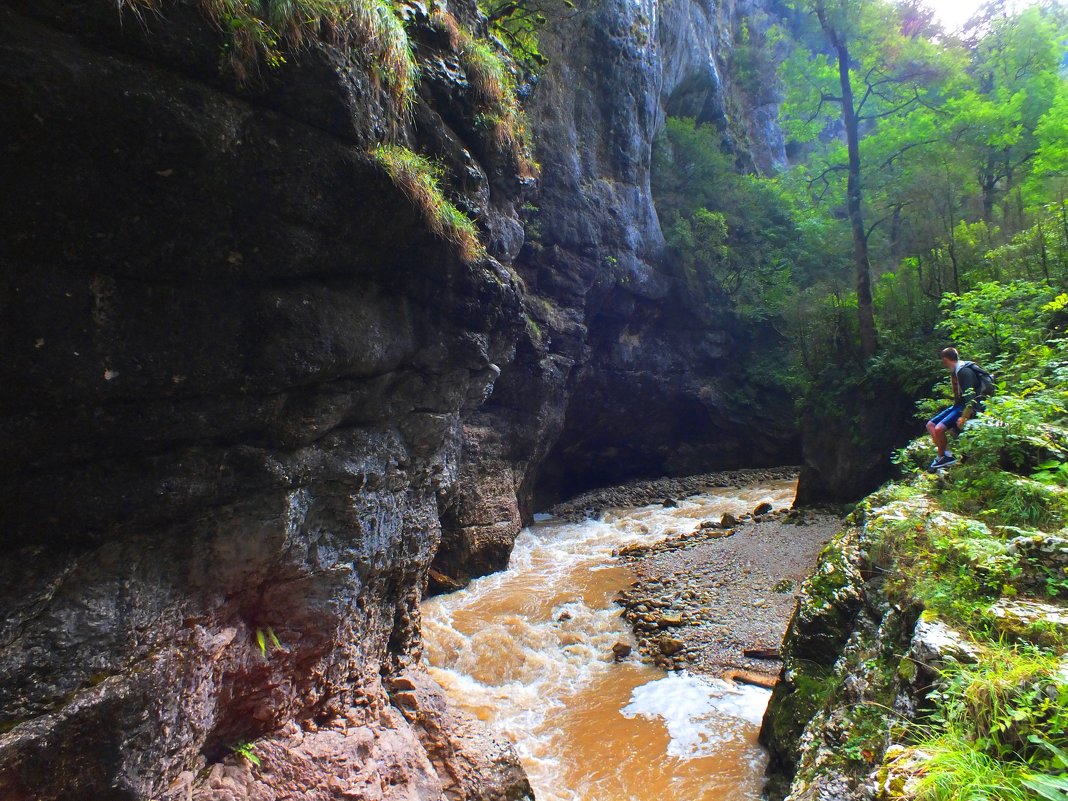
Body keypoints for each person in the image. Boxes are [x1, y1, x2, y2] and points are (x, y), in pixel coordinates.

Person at [926, 347, 986, 469]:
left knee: (938, 429)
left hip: (969, 406)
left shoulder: (964, 372)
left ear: (945, 359)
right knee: (930, 425)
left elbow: (970, 396)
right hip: (959, 405)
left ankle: (942, 458)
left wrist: (964, 417)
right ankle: (946, 455)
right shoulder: (957, 371)